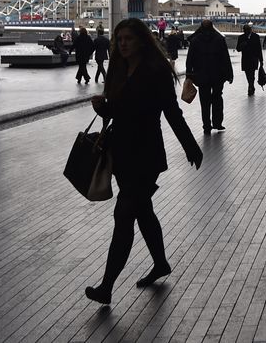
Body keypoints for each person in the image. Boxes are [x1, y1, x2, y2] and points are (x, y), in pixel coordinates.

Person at [86, 18, 203, 305]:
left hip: (146, 154)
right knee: (143, 212)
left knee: (123, 216)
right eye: (119, 39)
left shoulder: (157, 70)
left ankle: (106, 286)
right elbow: (117, 109)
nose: (123, 44)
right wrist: (104, 107)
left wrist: (191, 146)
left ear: (141, 40)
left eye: (128, 38)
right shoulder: (117, 66)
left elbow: (171, 112)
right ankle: (160, 263)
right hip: (122, 153)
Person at [186, 20, 233, 133]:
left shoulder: (195, 40)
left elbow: (190, 59)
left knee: (204, 101)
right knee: (217, 98)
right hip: (217, 76)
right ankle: (217, 123)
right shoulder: (219, 39)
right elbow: (225, 58)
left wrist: (189, 74)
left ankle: (206, 125)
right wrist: (229, 74)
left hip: (201, 76)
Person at [236, 24, 264, 96]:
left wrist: (261, 60)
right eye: (245, 30)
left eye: (247, 30)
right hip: (246, 59)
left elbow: (259, 49)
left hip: (253, 58)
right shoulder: (241, 37)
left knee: (251, 73)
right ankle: (251, 85)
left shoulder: (256, 37)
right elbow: (238, 49)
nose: (246, 31)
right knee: (248, 74)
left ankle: (250, 87)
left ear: (250, 30)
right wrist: (242, 45)